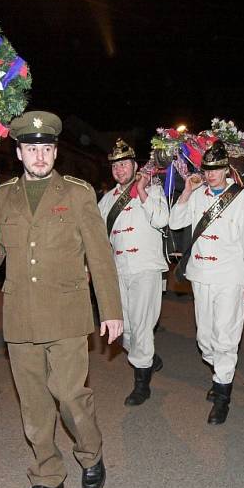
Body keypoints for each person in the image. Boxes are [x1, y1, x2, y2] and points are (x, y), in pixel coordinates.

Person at [0, 111, 123, 488]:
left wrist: (111, 309)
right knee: (33, 404)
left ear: (54, 152)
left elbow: (100, 255)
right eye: (31, 148)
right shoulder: (0, 196)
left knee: (69, 395)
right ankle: (47, 473)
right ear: (19, 152)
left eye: (46, 148)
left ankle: (91, 453)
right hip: (20, 315)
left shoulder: (77, 193)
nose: (40, 156)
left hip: (67, 312)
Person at [168, 141, 244, 425]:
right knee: (204, 339)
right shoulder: (197, 195)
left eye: (216, 169)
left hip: (229, 277)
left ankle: (222, 394)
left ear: (226, 169)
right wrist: (186, 190)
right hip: (201, 275)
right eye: (207, 169)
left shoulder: (240, 198)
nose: (211, 174)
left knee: (225, 336)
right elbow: (174, 222)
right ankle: (220, 372)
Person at [98, 138, 169, 406]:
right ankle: (148, 357)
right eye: (115, 165)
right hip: (118, 272)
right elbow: (98, 238)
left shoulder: (152, 189)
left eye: (124, 164)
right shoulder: (106, 201)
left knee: (140, 326)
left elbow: (163, 220)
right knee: (124, 329)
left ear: (134, 165)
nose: (119, 169)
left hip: (146, 269)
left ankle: (142, 385)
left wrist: (142, 191)